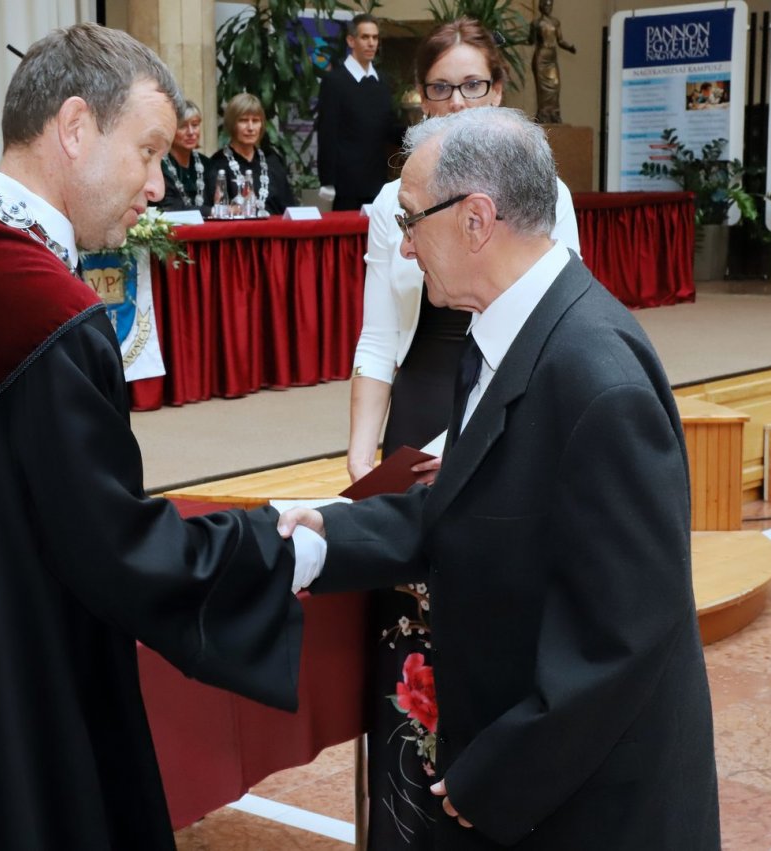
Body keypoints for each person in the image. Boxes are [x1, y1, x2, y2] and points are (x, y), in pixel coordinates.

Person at [0, 24, 324, 850]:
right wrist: (275, 549)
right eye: (148, 151)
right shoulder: (47, 310)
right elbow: (115, 546)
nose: (158, 185)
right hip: (23, 703)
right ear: (73, 127)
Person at [282, 106, 720, 849]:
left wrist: (495, 775)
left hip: (590, 809)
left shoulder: (598, 379)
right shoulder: (505, 332)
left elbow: (624, 638)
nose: (406, 246)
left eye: (412, 221)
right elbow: (464, 507)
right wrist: (328, 532)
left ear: (476, 220)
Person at [345, 19, 580, 847]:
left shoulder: (543, 193)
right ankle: (406, 823)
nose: (455, 103)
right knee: (407, 636)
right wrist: (363, 457)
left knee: (491, 619)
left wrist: (469, 444)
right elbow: (377, 340)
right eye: (439, 89)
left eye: (471, 86)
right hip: (419, 409)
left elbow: (555, 328)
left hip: (504, 409)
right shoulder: (392, 203)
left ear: (499, 92)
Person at [316, 13, 399, 211]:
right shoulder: (334, 81)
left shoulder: (382, 82)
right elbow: (327, 132)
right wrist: (327, 181)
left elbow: (388, 128)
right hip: (346, 187)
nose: (371, 43)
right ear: (351, 41)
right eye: (365, 37)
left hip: (378, 183)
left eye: (375, 37)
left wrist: (421, 131)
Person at [209, 93, 296, 215]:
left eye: (255, 121)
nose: (250, 128)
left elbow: (290, 208)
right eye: (243, 120)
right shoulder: (218, 164)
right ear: (231, 124)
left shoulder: (272, 160)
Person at [156, 99, 213, 214]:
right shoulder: (159, 165)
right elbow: (171, 208)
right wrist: (211, 211)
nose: (191, 132)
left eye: (195, 125)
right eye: (182, 126)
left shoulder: (206, 163)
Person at [530, 0, 576, 124]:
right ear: (541, 6)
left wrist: (570, 47)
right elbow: (530, 40)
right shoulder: (536, 23)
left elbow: (560, 41)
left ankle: (554, 113)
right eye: (546, 5)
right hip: (541, 57)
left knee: (555, 85)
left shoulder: (555, 22)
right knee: (542, 89)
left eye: (550, 5)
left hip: (551, 57)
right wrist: (512, 40)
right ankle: (544, 115)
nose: (548, 7)